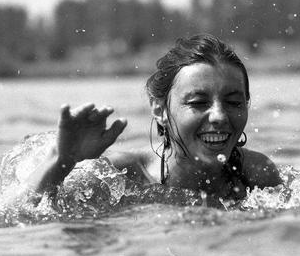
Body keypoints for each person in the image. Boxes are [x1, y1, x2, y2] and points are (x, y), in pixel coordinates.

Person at [27, 33, 283, 204]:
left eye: (234, 102)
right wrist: (62, 161)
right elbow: (8, 216)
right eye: (198, 102)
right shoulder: (123, 176)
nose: (219, 116)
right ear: (159, 109)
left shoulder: (256, 175)